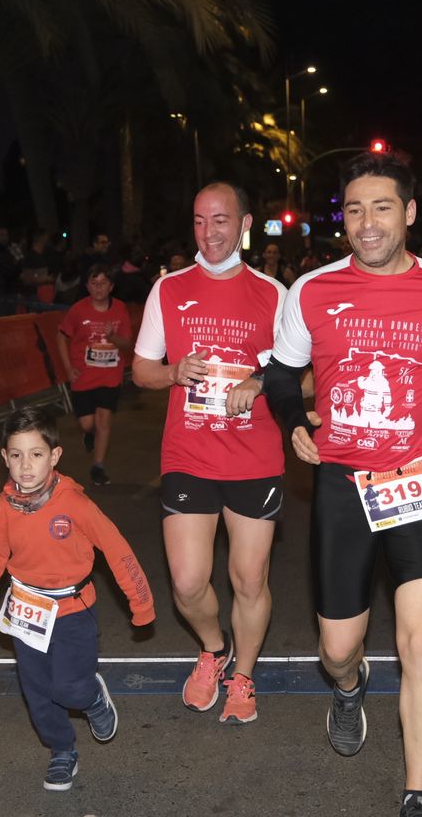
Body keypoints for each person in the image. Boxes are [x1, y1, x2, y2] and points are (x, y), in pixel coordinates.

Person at [263, 152, 422, 817]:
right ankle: (349, 685)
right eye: (356, 210)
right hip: (340, 481)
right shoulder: (310, 290)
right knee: (337, 648)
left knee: (420, 637)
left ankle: (417, 790)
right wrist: (293, 421)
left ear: (410, 212)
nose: (367, 224)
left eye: (383, 207)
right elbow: (282, 375)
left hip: (416, 478)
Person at [132, 181, 286, 725]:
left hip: (253, 455)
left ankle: (243, 675)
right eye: (199, 220)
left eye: (220, 220)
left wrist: (260, 381)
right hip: (189, 452)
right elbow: (141, 369)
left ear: (245, 225)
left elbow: (303, 376)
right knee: (188, 582)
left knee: (249, 579)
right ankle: (213, 651)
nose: (208, 231)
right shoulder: (168, 290)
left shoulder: (273, 293)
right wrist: (174, 372)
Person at [0, 406, 154, 792]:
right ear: (4, 458)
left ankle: (92, 697)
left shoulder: (75, 504)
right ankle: (62, 750)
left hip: (74, 611)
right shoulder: (3, 510)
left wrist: (140, 603)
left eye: (36, 454)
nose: (26, 466)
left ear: (55, 456)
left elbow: (117, 550)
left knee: (69, 688)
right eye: (16, 455)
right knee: (38, 692)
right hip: (27, 612)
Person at [57, 265, 133, 486]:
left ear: (111, 286)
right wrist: (68, 368)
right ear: (87, 285)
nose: (98, 288)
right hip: (84, 375)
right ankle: (88, 434)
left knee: (104, 420)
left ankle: (98, 466)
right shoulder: (78, 310)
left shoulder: (120, 309)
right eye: (94, 283)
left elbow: (127, 344)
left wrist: (112, 336)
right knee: (87, 423)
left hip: (110, 375)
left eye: (103, 283)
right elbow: (61, 337)